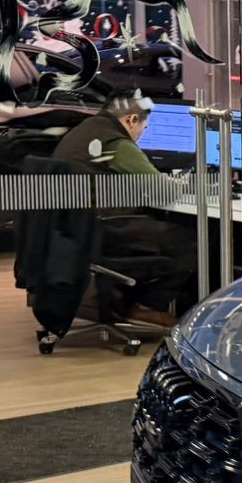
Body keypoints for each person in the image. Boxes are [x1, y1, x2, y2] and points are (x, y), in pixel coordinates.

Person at [51, 92, 195, 325]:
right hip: (104, 229)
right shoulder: (116, 142)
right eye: (144, 129)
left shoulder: (83, 130)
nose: (140, 136)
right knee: (191, 241)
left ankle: (122, 301)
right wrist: (183, 184)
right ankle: (144, 307)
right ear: (131, 120)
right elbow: (165, 192)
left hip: (74, 230)